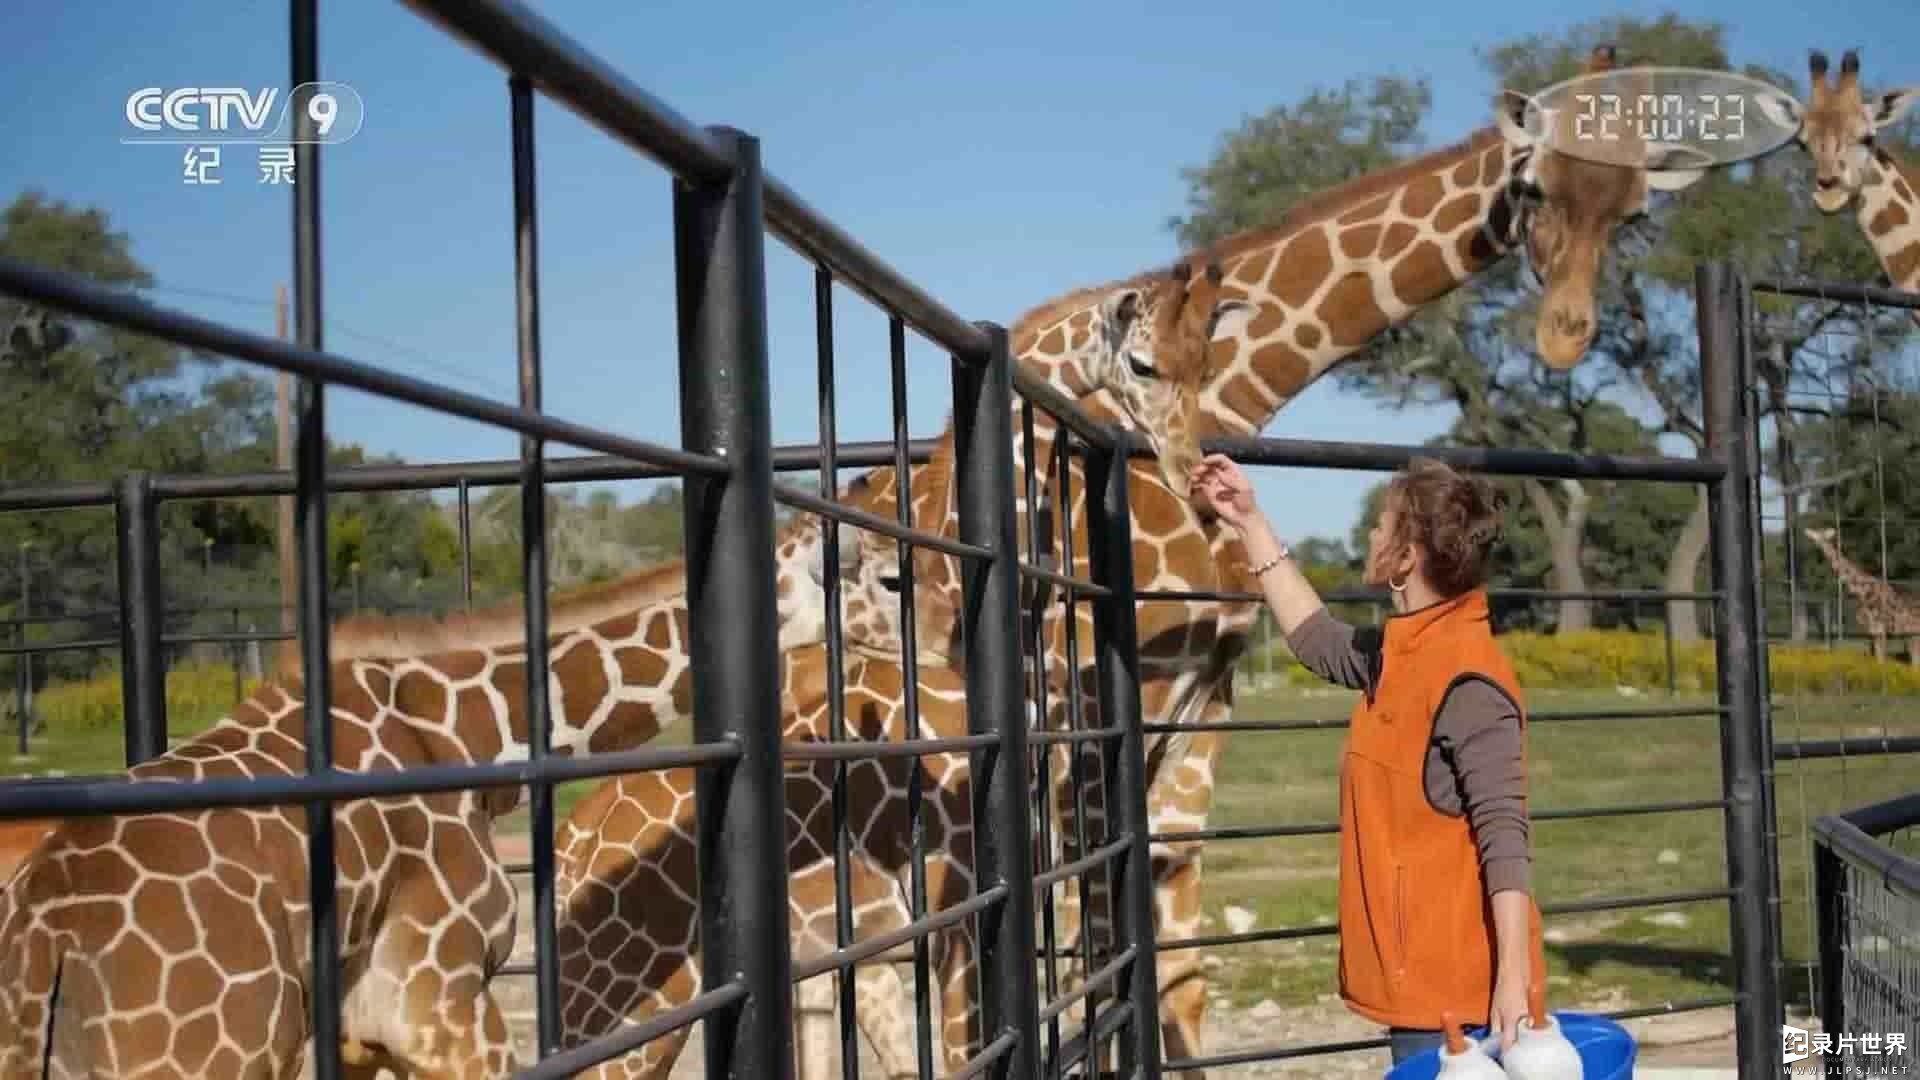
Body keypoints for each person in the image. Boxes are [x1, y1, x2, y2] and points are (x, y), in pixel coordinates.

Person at [1188, 453, 1546, 1064]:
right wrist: (1248, 520)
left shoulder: (1469, 680)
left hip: (1459, 1001)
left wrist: (1511, 984)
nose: (1370, 534)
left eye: (1381, 525)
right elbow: (1318, 638)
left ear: (1405, 558)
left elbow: (1504, 840)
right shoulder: (1401, 652)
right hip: (1423, 987)